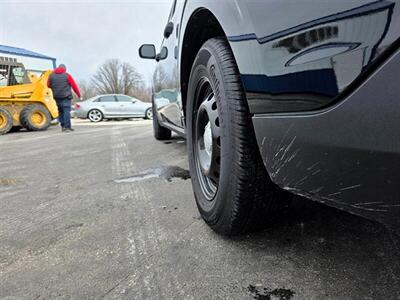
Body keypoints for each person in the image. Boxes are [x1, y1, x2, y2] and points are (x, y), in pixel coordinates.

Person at [47, 64, 82, 132]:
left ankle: (63, 126)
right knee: (66, 111)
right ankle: (67, 127)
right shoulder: (67, 75)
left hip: (56, 96)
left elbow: (48, 85)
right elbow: (74, 86)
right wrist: (79, 95)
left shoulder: (51, 76)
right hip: (66, 97)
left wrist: (54, 87)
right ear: (64, 69)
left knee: (60, 111)